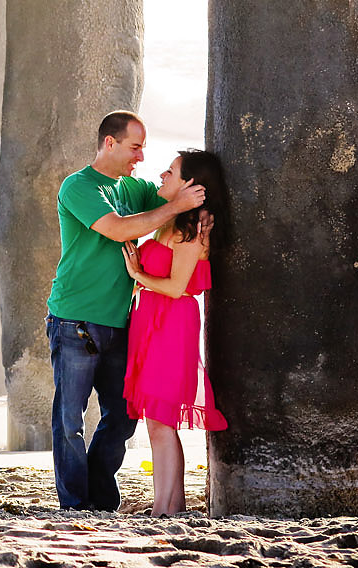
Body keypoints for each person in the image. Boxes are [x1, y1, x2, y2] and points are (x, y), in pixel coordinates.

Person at [46, 110, 205, 511]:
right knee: (69, 422)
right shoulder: (79, 186)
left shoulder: (132, 189)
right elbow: (119, 228)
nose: (140, 158)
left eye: (144, 149)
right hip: (75, 318)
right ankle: (76, 505)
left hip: (123, 322)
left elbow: (175, 202)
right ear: (110, 143)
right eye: (135, 148)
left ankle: (101, 499)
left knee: (122, 417)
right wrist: (175, 206)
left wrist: (200, 204)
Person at [122, 150, 229, 516]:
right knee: (157, 421)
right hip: (152, 321)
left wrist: (138, 276)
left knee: (161, 420)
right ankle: (169, 506)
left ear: (190, 185)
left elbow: (177, 285)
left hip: (171, 325)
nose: (162, 176)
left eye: (171, 172)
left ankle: (164, 510)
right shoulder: (170, 221)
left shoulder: (193, 226)